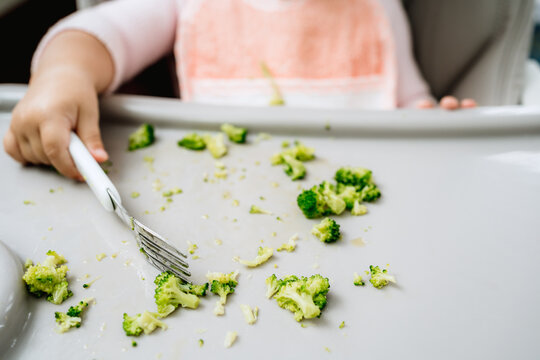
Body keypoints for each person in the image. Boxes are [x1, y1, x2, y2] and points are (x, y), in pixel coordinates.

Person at [3, 0, 476, 180]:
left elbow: (410, 103)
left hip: (371, 210)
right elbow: (99, 31)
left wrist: (437, 119)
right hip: (220, 202)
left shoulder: (377, 10)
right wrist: (64, 74)